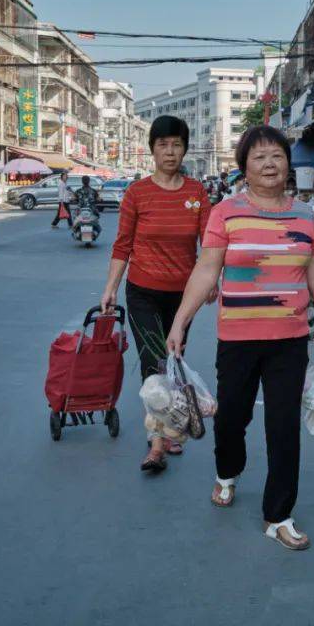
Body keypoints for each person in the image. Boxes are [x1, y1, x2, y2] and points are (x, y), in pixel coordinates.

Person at [165, 125, 314, 551]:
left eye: (277, 156)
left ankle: (278, 514)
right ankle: (227, 472)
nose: (269, 164)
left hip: (289, 338)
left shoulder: (304, 214)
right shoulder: (225, 213)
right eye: (259, 157)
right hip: (238, 337)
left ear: (289, 164)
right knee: (232, 418)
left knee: (283, 426)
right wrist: (180, 322)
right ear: (244, 166)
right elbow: (207, 270)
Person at [102, 115, 211, 473]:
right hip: (143, 292)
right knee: (153, 365)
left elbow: (210, 244)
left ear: (184, 149)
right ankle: (158, 443)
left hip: (183, 296)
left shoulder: (196, 193)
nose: (170, 151)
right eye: (163, 144)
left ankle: (172, 423)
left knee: (175, 358)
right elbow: (123, 245)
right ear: (152, 150)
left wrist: (213, 280)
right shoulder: (137, 193)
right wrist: (111, 288)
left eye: (176, 144)